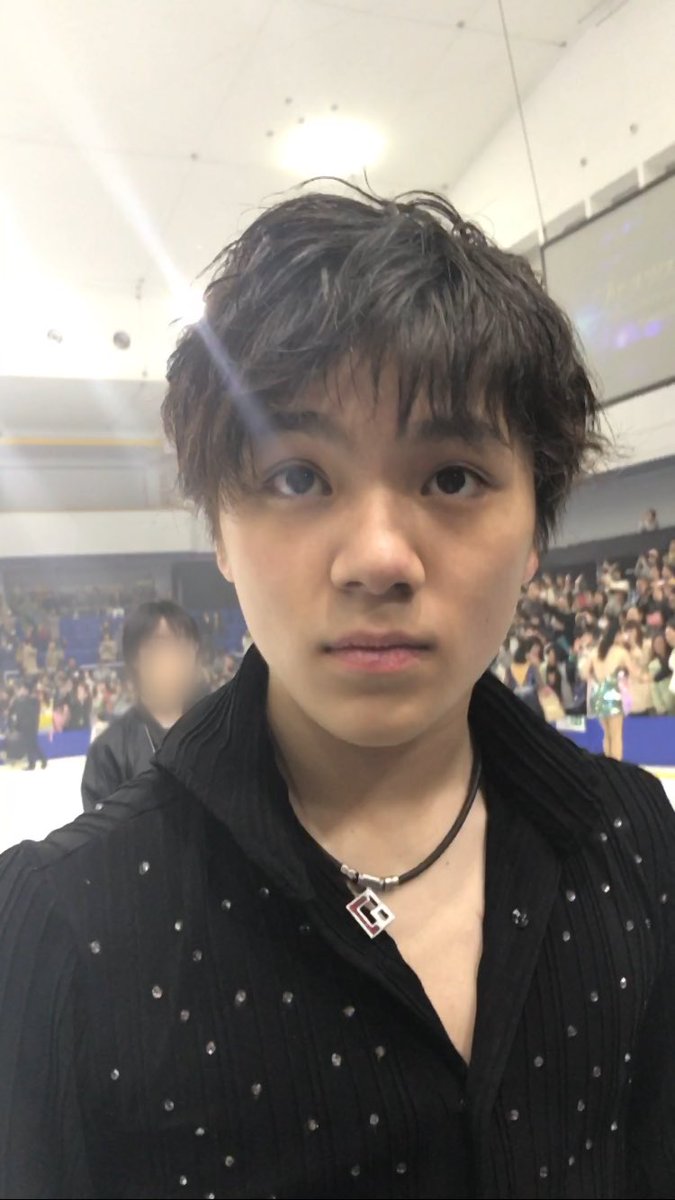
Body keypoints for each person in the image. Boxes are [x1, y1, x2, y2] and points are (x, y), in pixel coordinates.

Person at [0, 186, 673, 1200]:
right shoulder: (62, 924)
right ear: (220, 533)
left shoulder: (636, 844)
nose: (377, 559)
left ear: (536, 530)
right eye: (297, 477)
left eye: (451, 477)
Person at [80, 600, 202, 811]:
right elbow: (103, 828)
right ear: (135, 657)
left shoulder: (218, 731)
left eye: (183, 644)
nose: (174, 657)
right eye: (161, 646)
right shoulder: (110, 750)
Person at [587, 618, 640, 760]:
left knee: (607, 734)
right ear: (616, 634)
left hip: (597, 693)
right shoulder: (620, 652)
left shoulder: (595, 651)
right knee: (616, 735)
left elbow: (586, 673)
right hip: (612, 693)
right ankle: (616, 768)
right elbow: (635, 673)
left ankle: (607, 766)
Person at [8, 679, 47, 770]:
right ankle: (37, 762)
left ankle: (37, 761)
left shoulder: (31, 700)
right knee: (31, 744)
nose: (21, 690)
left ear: (26, 690)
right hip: (26, 725)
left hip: (30, 726)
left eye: (22, 689)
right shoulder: (23, 700)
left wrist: (17, 699)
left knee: (32, 744)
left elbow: (31, 712)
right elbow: (13, 711)